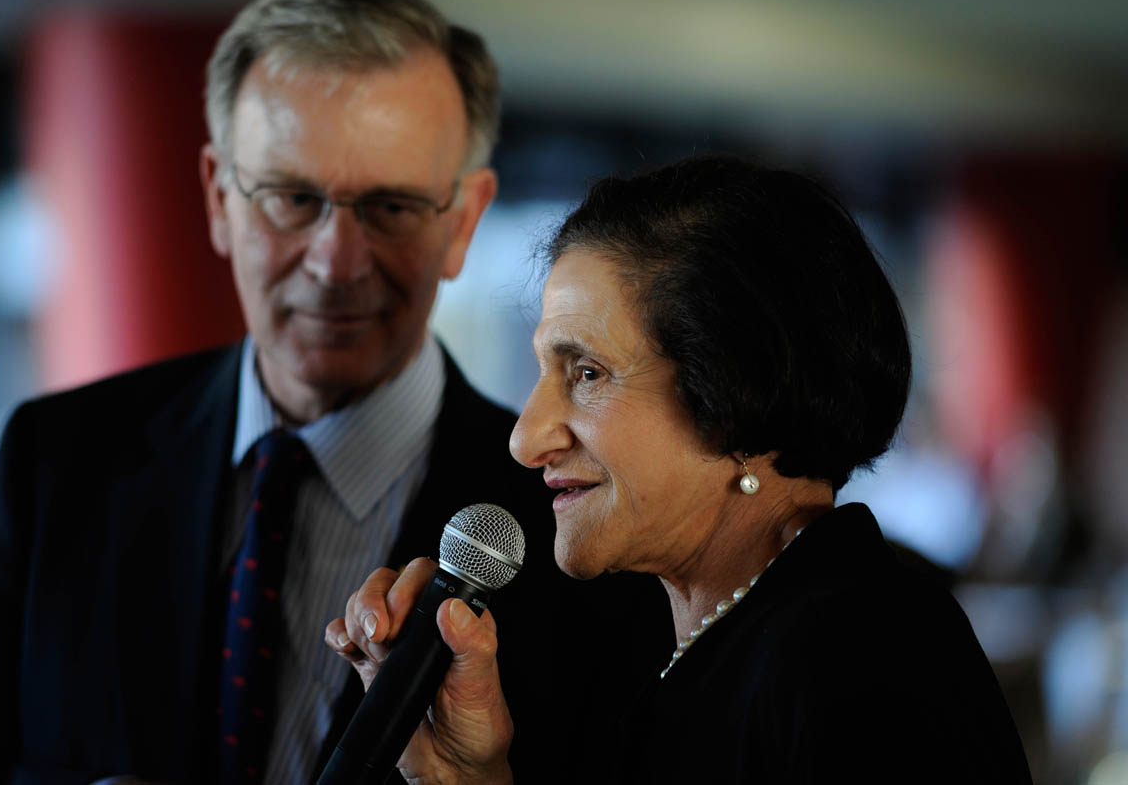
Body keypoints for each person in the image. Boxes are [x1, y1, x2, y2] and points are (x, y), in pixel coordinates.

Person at [0, 0, 670, 783]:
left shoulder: (583, 528)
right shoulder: (55, 461)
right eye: (291, 198)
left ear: (462, 221)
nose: (335, 262)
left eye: (391, 205)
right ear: (219, 199)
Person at [329, 154, 1035, 782]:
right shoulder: (714, 643)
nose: (525, 438)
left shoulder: (862, 655)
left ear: (736, 392)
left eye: (587, 372)